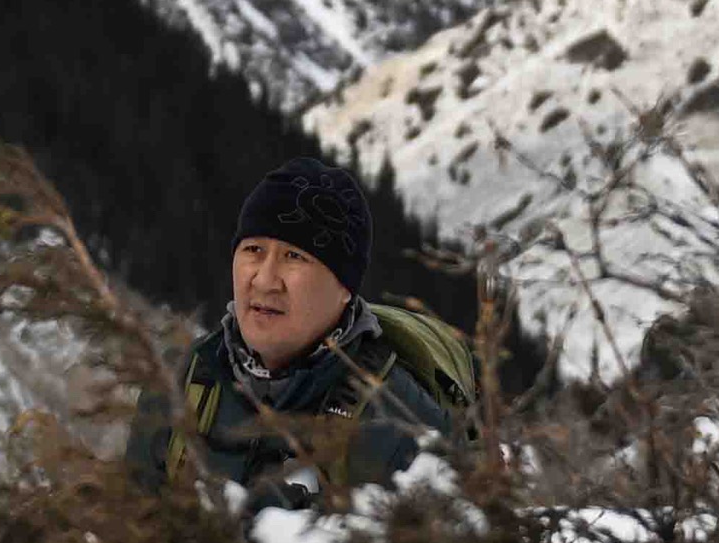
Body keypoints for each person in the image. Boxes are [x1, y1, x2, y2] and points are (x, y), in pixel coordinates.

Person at [138, 152, 475, 508]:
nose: (265, 280)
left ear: (345, 288)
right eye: (254, 249)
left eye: (294, 256)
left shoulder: (399, 425)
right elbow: (132, 525)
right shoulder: (184, 378)